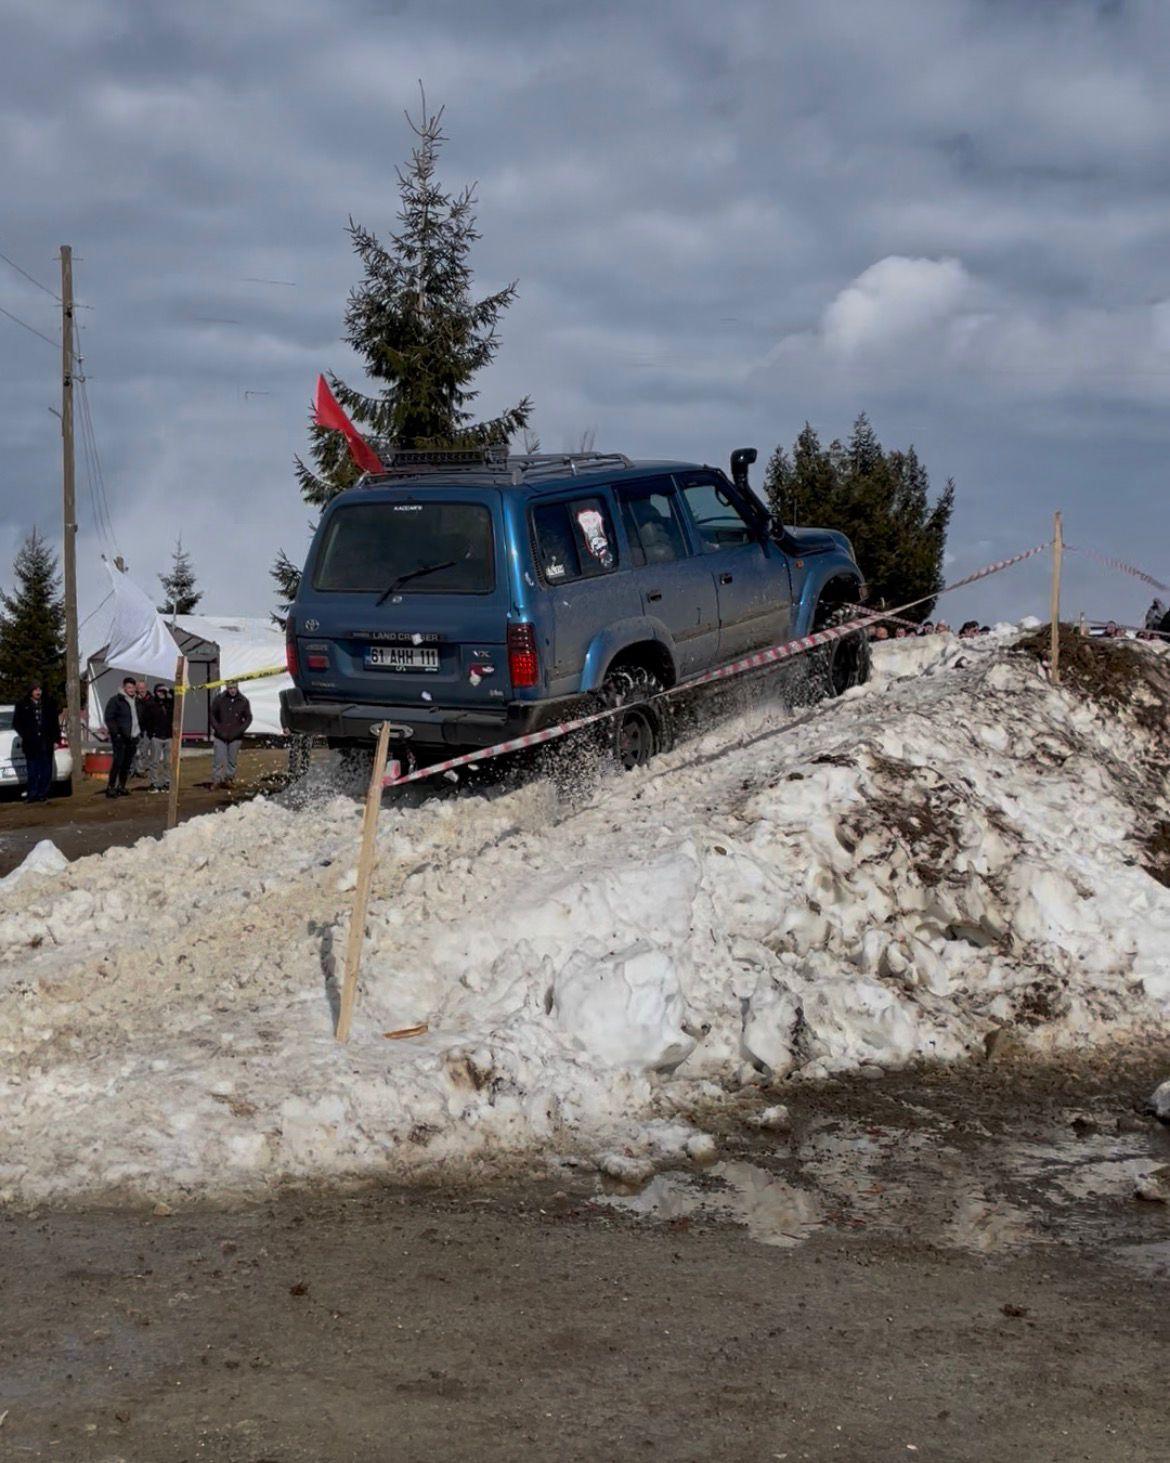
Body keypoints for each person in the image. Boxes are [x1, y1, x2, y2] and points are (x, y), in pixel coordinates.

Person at [13, 681, 59, 802]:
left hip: (46, 741)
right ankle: (32, 793)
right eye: (35, 690)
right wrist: (26, 735)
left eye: (39, 689)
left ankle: (43, 793)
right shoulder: (22, 704)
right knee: (32, 769)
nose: (38, 692)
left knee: (46, 769)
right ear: (31, 691)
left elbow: (54, 723)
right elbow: (16, 723)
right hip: (31, 743)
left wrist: (56, 740)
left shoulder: (48, 704)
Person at [210, 680, 252, 787]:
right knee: (218, 760)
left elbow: (248, 717)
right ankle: (216, 780)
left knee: (232, 760)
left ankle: (229, 779)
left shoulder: (243, 701)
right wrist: (217, 728)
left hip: (235, 736)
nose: (232, 690)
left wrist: (240, 730)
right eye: (230, 688)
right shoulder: (219, 699)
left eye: (234, 688)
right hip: (220, 735)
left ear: (237, 688)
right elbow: (212, 714)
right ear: (227, 688)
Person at [103, 675, 140, 798]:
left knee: (127, 763)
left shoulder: (137, 701)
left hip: (133, 736)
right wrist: (116, 733)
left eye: (132, 687)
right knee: (118, 762)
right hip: (120, 737)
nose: (131, 689)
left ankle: (122, 786)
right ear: (124, 688)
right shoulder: (116, 700)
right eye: (128, 687)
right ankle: (111, 787)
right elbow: (109, 717)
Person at [139, 683, 174, 792]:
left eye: (163, 691)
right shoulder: (151, 704)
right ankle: (154, 783)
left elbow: (178, 697)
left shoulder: (170, 703)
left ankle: (167, 782)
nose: (161, 693)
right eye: (159, 691)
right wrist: (151, 733)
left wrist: (169, 690)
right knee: (154, 761)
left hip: (168, 736)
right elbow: (144, 720)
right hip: (156, 737)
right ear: (155, 692)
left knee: (168, 762)